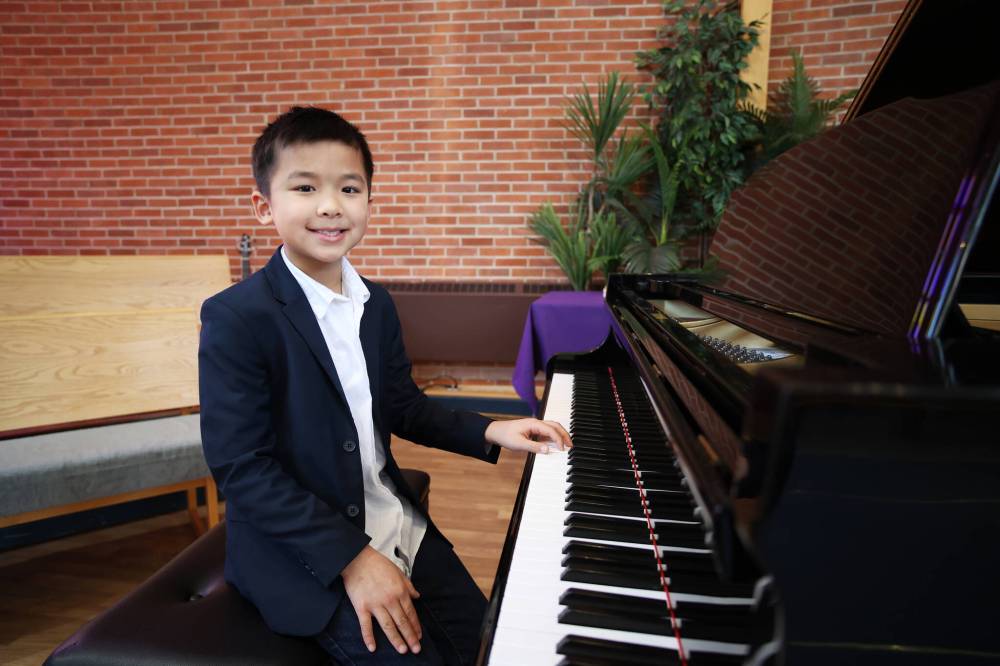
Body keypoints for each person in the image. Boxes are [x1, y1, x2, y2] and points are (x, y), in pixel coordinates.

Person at [198, 106, 571, 665]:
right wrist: (354, 559)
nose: (330, 205)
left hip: (394, 522)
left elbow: (403, 406)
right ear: (264, 205)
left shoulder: (376, 304)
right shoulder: (236, 317)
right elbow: (242, 469)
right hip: (306, 554)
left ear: (369, 200)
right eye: (305, 187)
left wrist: (493, 429)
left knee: (493, 646)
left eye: (349, 188)